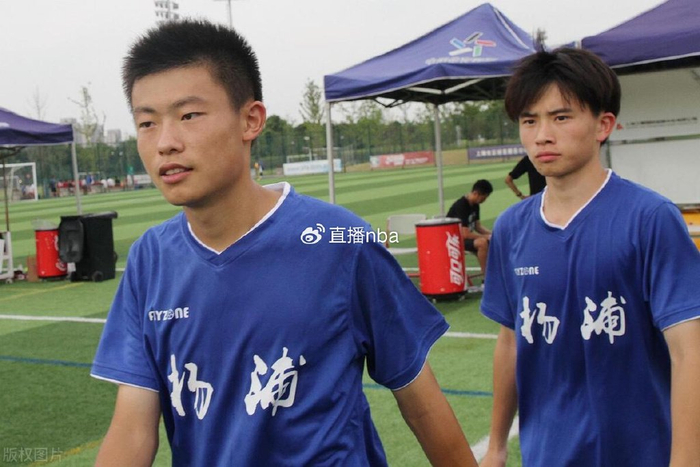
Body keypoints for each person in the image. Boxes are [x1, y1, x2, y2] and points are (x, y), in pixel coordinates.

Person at [91, 19, 477, 467]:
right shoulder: (149, 259)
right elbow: (133, 429)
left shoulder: (341, 241)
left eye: (189, 116)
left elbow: (420, 401)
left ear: (250, 120)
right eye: (146, 123)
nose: (165, 143)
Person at [480, 47, 700, 467]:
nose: (542, 135)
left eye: (561, 117)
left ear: (604, 125)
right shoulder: (511, 228)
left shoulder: (650, 218)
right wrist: (496, 447)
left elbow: (689, 352)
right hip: (545, 455)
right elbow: (510, 341)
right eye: (529, 120)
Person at [446, 179, 493, 275]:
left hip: (464, 238)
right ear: (476, 193)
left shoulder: (475, 205)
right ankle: (487, 277)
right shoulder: (461, 205)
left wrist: (493, 234)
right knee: (482, 243)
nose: (484, 200)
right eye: (483, 198)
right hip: (454, 240)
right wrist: (486, 237)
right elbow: (465, 234)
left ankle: (494, 271)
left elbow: (478, 226)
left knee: (491, 240)